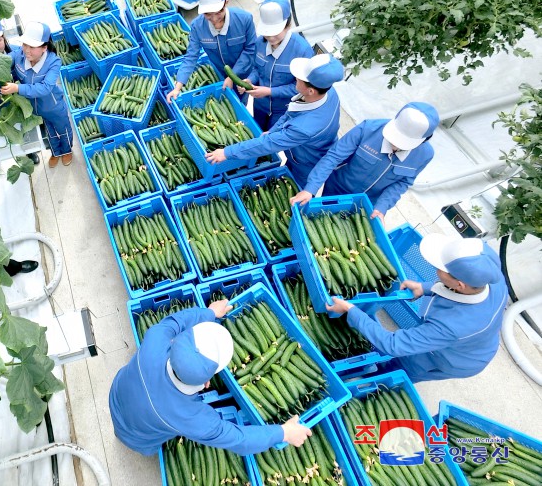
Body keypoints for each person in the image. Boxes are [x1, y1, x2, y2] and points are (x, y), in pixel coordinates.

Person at [109, 299, 313, 457]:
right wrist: (284, 433)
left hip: (116, 396)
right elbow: (239, 440)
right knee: (147, 441)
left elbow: (175, 321)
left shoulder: (154, 340)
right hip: (139, 439)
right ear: (207, 383)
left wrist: (210, 312)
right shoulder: (191, 417)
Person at [326, 234, 507, 383]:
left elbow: (393, 344)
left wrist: (351, 310)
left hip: (456, 358)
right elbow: (451, 286)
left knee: (407, 367)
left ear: (459, 284)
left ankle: (378, 381)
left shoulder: (452, 326)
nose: (435, 268)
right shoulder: (491, 279)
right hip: (477, 341)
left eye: (439, 268)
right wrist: (425, 287)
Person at [204, 54, 343, 186]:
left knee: (297, 189)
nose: (295, 78)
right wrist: (273, 131)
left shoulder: (304, 128)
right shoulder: (328, 92)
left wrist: (226, 152)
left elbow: (267, 144)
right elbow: (292, 112)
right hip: (308, 147)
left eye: (299, 79)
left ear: (311, 91)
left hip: (307, 162)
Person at [290, 102, 440, 223]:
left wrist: (382, 207)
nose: (395, 146)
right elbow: (333, 157)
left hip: (368, 202)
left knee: (347, 226)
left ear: (422, 141)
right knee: (322, 219)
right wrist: (311, 188)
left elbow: (403, 182)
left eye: (402, 144)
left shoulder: (425, 155)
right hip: (338, 188)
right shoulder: (368, 129)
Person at [166, 0, 257, 103]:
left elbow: (251, 50)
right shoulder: (197, 26)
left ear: (226, 3)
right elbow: (191, 57)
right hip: (219, 74)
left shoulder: (244, 19)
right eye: (208, 14)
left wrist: (233, 76)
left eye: (218, 12)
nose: (214, 19)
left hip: (243, 73)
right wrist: (177, 88)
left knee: (240, 101)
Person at [0, 21, 75, 168]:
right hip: (36, 109)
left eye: (32, 47)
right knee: (50, 132)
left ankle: (67, 151)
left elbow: (45, 88)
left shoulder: (54, 62)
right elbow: (5, 60)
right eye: (25, 45)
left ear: (44, 48)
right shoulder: (19, 55)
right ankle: (55, 153)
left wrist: (18, 88)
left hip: (54, 106)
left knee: (63, 129)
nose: (27, 50)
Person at [242, 0, 314, 131]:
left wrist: (270, 91)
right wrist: (249, 80)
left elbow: (302, 88)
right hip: (260, 106)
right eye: (267, 33)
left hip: (283, 111)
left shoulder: (303, 51)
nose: (270, 37)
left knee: (271, 139)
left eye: (275, 32)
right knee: (256, 132)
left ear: (288, 25)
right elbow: (256, 69)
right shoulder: (260, 43)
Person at [0, 16, 41, 165]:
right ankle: (28, 152)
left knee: (30, 120)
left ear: (4, 38)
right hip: (4, 104)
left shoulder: (19, 52)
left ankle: (34, 144)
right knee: (15, 129)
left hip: (24, 97)